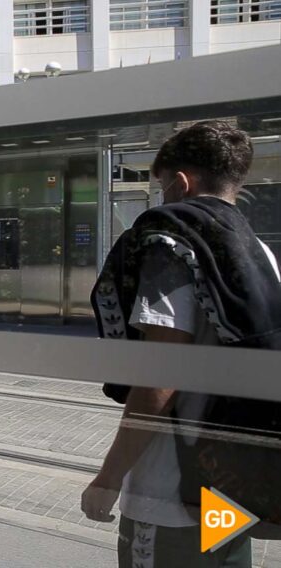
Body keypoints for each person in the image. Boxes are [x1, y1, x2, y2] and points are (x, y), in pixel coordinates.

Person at [81, 121, 281, 568]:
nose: (161, 199)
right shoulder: (263, 254)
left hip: (169, 493)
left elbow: (160, 379)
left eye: (161, 187)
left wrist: (109, 478)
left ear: (181, 182)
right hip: (235, 483)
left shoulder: (173, 245)